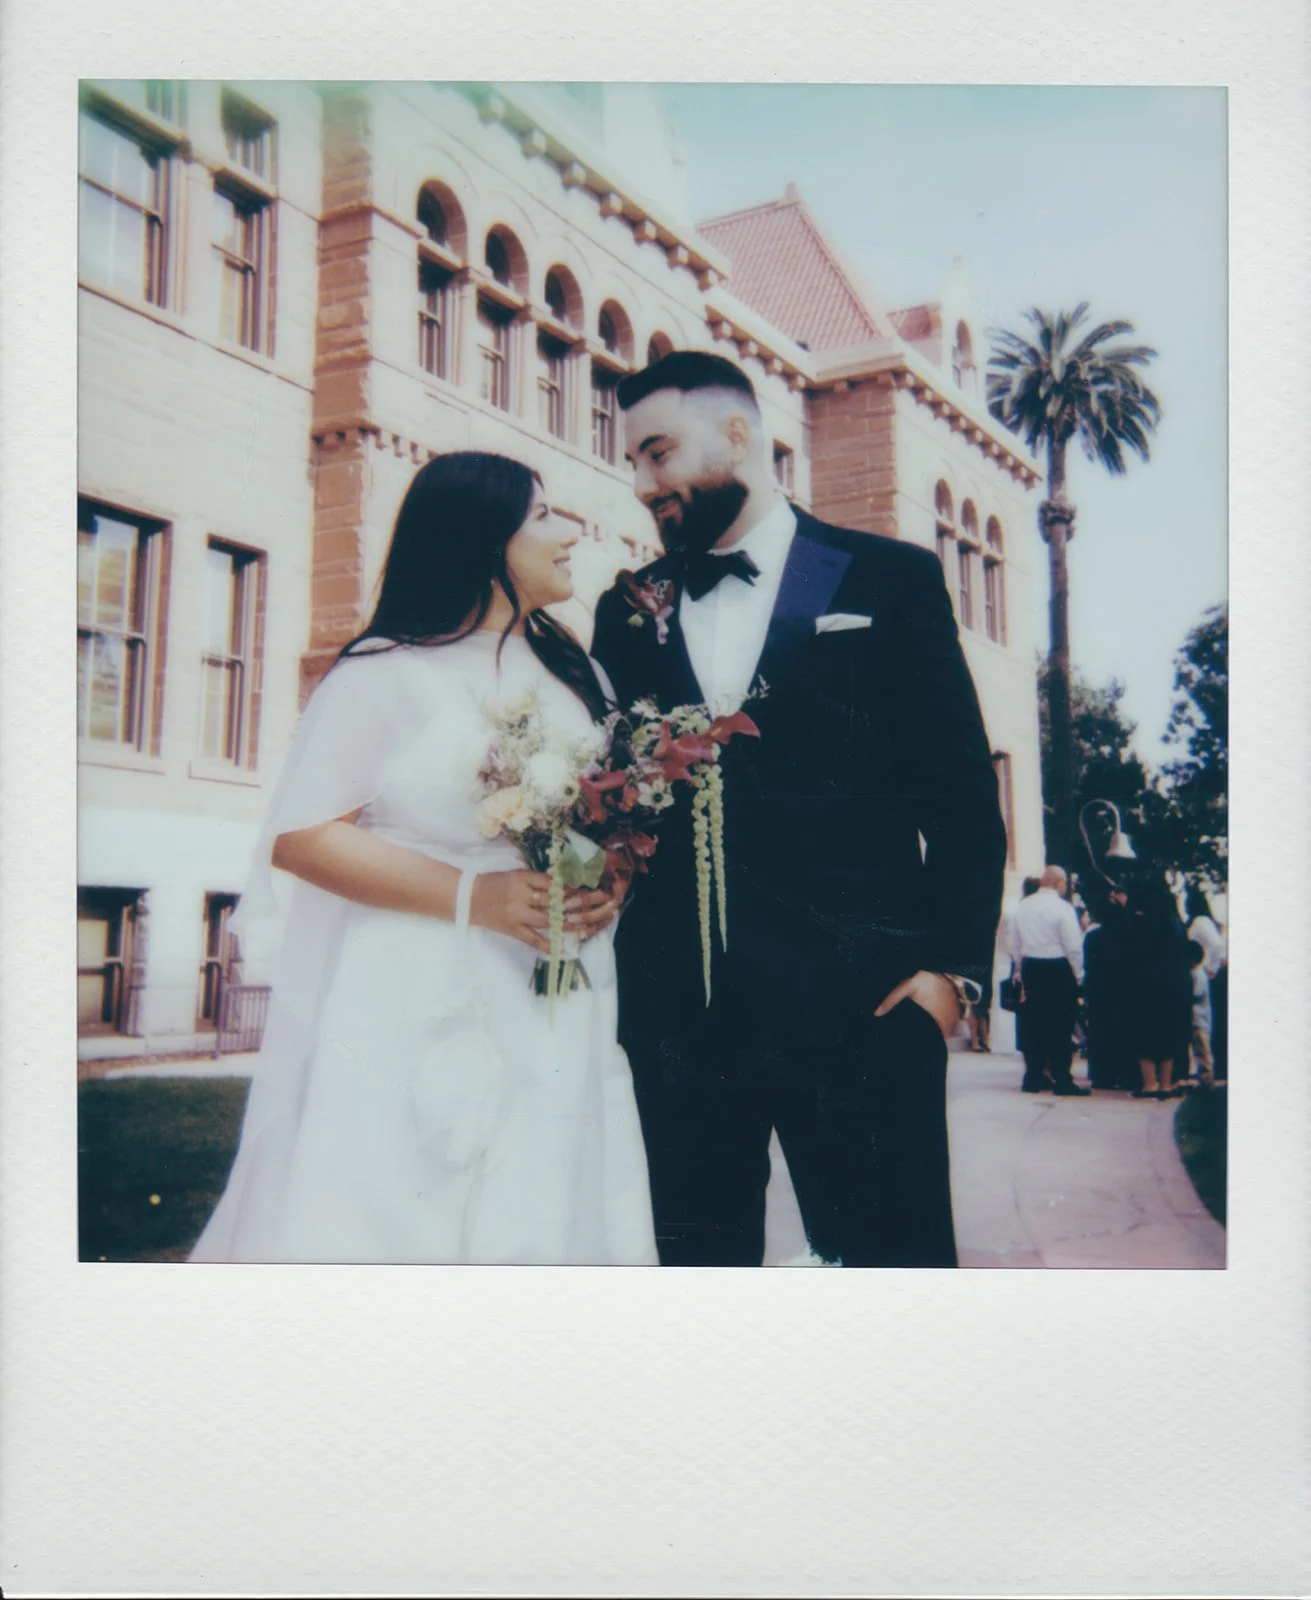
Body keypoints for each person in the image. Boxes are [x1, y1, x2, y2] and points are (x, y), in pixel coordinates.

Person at [590, 351, 1007, 1268]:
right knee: (697, 1300)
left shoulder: (888, 579)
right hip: (679, 1026)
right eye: (632, 462)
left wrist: (948, 978)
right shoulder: (624, 611)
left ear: (738, 434)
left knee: (893, 1287)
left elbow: (961, 795)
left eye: (657, 453)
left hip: (865, 1013)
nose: (641, 485)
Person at [191, 452, 658, 1265]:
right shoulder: (384, 672)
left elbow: (602, 813)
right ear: (481, 537)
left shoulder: (577, 672)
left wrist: (606, 881)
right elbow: (303, 837)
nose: (568, 534)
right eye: (542, 515)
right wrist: (477, 896)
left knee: (542, 1199)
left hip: (556, 989)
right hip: (415, 980)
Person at [1006, 865, 1089, 1096]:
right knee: (1061, 1024)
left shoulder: (1023, 906)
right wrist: (1078, 975)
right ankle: (1062, 1078)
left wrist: (1020, 968)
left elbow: (1014, 942)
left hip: (1031, 967)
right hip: (1057, 968)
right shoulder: (1063, 908)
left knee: (1033, 1023)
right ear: (1059, 883)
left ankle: (1034, 1076)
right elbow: (1073, 946)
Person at [1120, 875, 1195, 1101]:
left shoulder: (1140, 922)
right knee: (1168, 1033)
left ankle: (1149, 1083)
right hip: (1173, 984)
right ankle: (1165, 1083)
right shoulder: (1175, 924)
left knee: (1144, 1032)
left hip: (1144, 983)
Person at [1083, 887, 1139, 1091]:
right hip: (1124, 989)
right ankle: (1126, 1073)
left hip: (1099, 990)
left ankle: (1101, 1074)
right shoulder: (1130, 935)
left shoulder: (1092, 937)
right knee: (1124, 1030)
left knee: (1099, 1030)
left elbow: (1087, 964)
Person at [1185, 883, 1228, 1085]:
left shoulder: (1200, 922)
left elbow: (1217, 945)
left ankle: (1210, 1069)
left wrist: (1209, 968)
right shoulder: (1205, 921)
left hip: (1205, 975)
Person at [1186, 938, 1215, 1086]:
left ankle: (1207, 1075)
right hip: (1196, 1018)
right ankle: (1202, 1075)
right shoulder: (1196, 973)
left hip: (1200, 1019)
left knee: (1203, 1048)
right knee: (1197, 1049)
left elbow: (1195, 993)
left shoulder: (1198, 974)